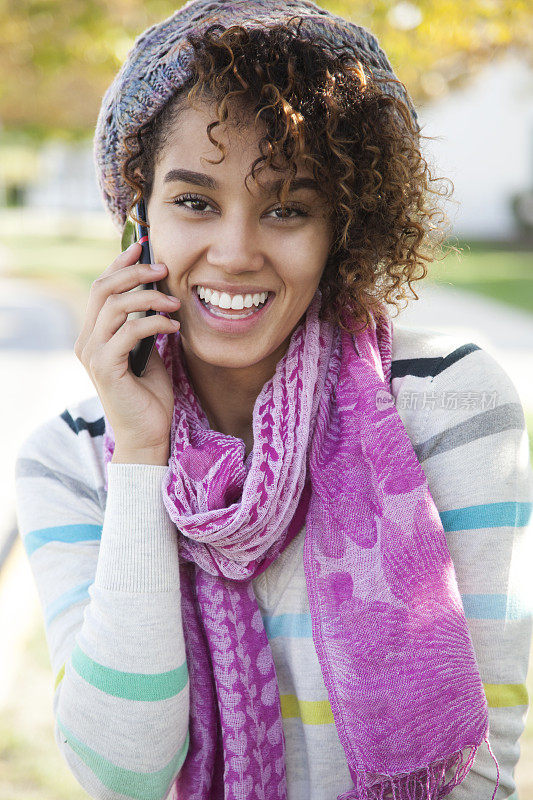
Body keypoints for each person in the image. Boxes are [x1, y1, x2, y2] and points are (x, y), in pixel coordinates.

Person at [14, 1, 533, 799]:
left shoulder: (448, 403)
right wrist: (142, 456)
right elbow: (123, 774)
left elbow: (480, 761)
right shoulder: (74, 454)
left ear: (343, 229)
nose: (234, 251)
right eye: (194, 202)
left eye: (287, 208)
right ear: (139, 219)